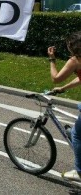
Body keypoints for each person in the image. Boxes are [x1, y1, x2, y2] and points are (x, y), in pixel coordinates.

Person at [49, 31, 81, 181]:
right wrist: (63, 89)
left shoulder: (75, 60)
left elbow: (56, 78)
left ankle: (79, 171)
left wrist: (52, 59)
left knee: (77, 135)